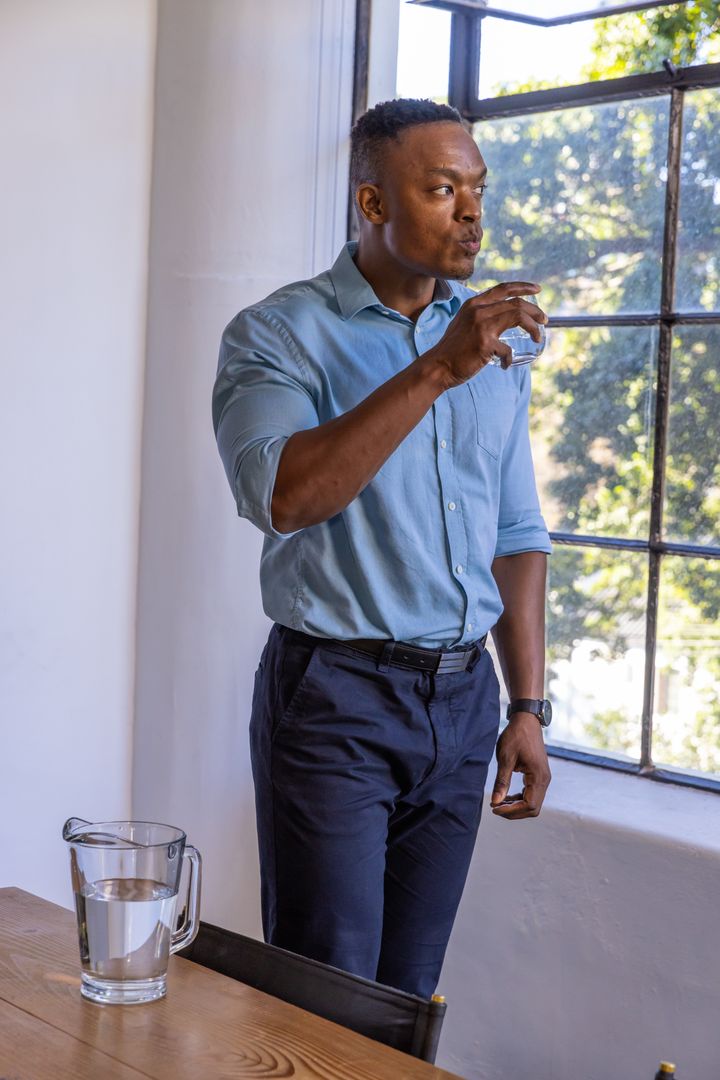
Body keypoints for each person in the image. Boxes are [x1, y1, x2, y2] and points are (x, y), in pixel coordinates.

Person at [212, 98, 553, 999]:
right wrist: (440, 365)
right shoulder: (278, 334)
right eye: (443, 190)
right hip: (335, 702)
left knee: (406, 997)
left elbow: (516, 535)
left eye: (476, 188)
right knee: (326, 998)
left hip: (464, 701)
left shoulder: (495, 351)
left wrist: (527, 704)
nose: (473, 212)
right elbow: (283, 495)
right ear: (373, 204)